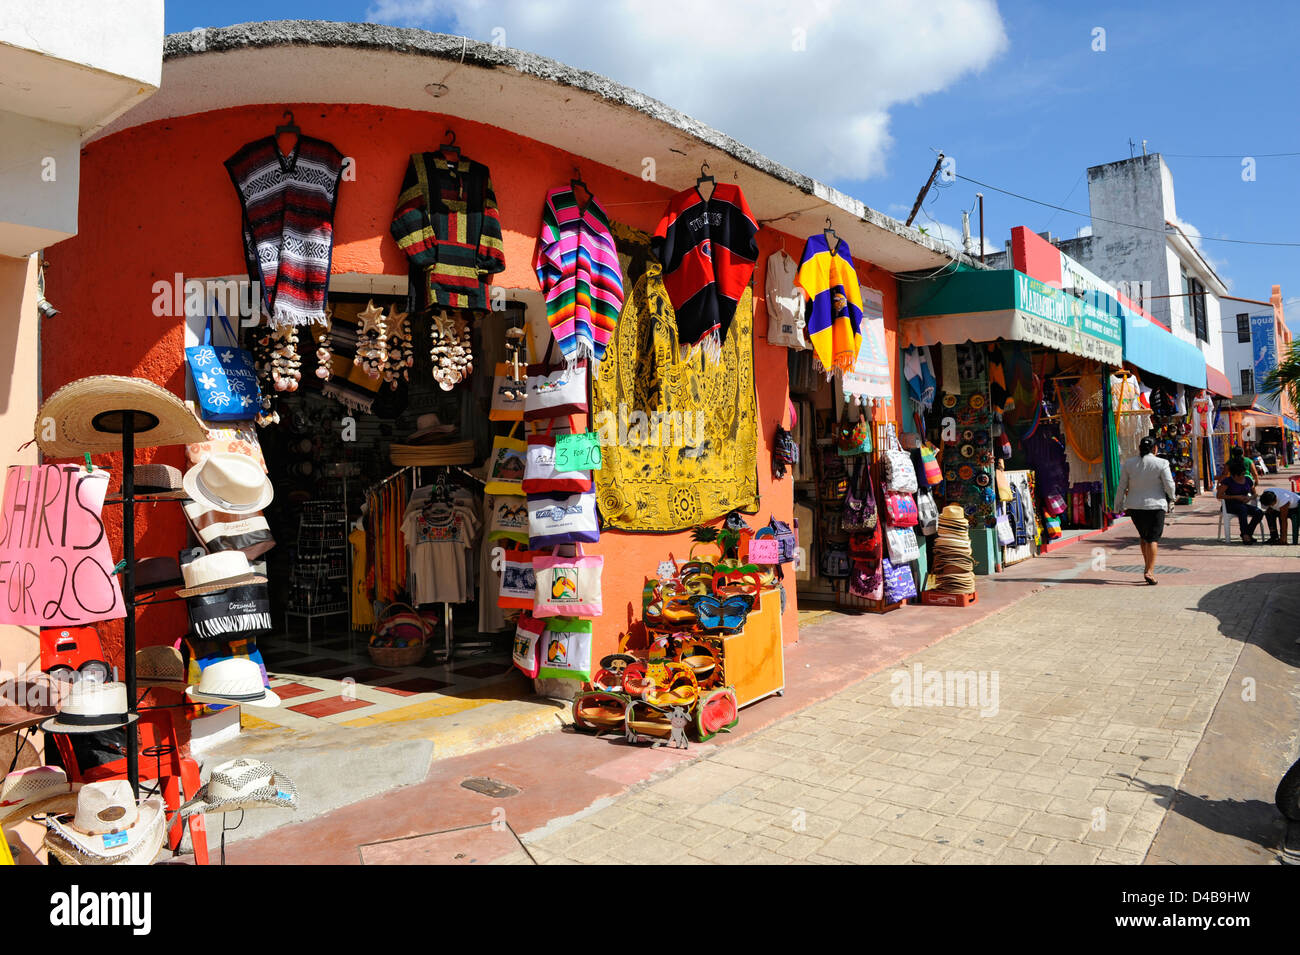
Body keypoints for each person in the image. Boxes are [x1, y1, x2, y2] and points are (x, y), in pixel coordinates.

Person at [1115, 436, 1176, 585]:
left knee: (1144, 536)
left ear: (1139, 448)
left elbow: (1122, 485)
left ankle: (1147, 566)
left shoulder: (1129, 464)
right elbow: (1169, 484)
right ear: (1155, 449)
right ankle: (1150, 571)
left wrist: (1118, 504)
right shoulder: (1162, 463)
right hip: (1156, 506)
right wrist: (1172, 497)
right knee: (1153, 539)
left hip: (1135, 507)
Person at [1216, 460, 1264, 544]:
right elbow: (1219, 495)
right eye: (1240, 475)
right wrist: (1236, 497)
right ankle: (1245, 535)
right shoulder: (1228, 481)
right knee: (1242, 509)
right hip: (1230, 505)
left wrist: (1249, 498)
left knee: (1259, 512)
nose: (1243, 476)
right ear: (1234, 475)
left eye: (1243, 474)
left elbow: (1255, 494)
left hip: (1243, 504)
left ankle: (1248, 533)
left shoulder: (1248, 480)